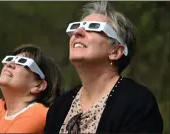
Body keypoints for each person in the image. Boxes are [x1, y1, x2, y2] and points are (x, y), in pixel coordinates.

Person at [44, 1, 163, 133]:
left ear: (115, 52)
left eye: (93, 28)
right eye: (76, 27)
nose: (77, 33)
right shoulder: (60, 106)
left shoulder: (137, 102)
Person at [0, 44, 63, 133]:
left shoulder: (40, 115)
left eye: (22, 62)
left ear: (38, 86)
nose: (10, 64)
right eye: (10, 59)